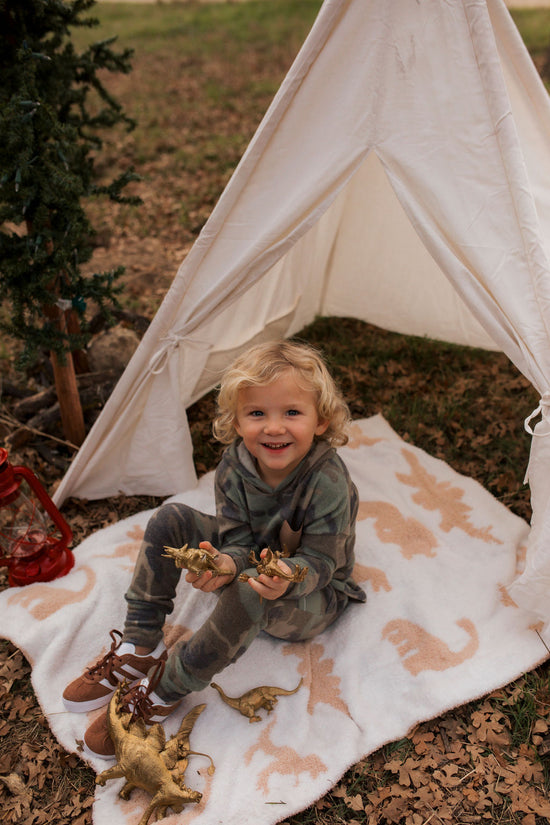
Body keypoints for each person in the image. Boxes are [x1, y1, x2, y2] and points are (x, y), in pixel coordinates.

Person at [63, 339, 366, 758]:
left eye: (292, 412)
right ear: (237, 421)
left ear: (321, 420)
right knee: (170, 519)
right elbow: (238, 540)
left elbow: (323, 562)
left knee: (248, 587)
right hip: (255, 556)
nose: (273, 427)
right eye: (257, 413)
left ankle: (166, 687)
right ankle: (141, 645)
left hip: (312, 590)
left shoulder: (326, 480)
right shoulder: (234, 466)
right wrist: (225, 562)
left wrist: (279, 579)